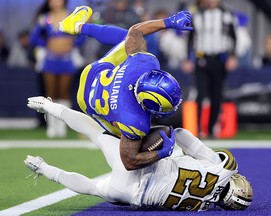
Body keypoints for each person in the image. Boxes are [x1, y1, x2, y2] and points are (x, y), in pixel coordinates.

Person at [25, 96, 253, 211]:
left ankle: (48, 106)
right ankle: (43, 169)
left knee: (96, 133)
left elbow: (182, 134)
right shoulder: (201, 207)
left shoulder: (222, 168)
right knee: (94, 188)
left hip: (144, 166)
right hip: (132, 194)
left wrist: (162, 137)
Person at [57, 6, 193, 170]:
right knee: (141, 139)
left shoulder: (143, 63)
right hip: (86, 104)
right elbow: (129, 162)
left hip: (92, 75)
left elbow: (136, 30)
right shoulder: (136, 120)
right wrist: (160, 154)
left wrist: (169, 22)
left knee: (127, 37)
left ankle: (78, 26)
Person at [30, 0, 85, 138]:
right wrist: (46, 44)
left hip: (67, 59)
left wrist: (73, 43)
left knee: (64, 92)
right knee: (51, 92)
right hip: (50, 59)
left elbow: (83, 34)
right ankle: (51, 127)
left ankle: (62, 126)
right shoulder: (45, 18)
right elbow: (34, 36)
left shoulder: (71, 16)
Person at [186, 0, 238, 138]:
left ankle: (210, 129)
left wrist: (232, 56)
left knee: (217, 96)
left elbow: (233, 37)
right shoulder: (197, 15)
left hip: (219, 59)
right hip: (202, 58)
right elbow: (190, 39)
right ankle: (196, 130)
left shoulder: (226, 15)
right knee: (200, 94)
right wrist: (188, 59)